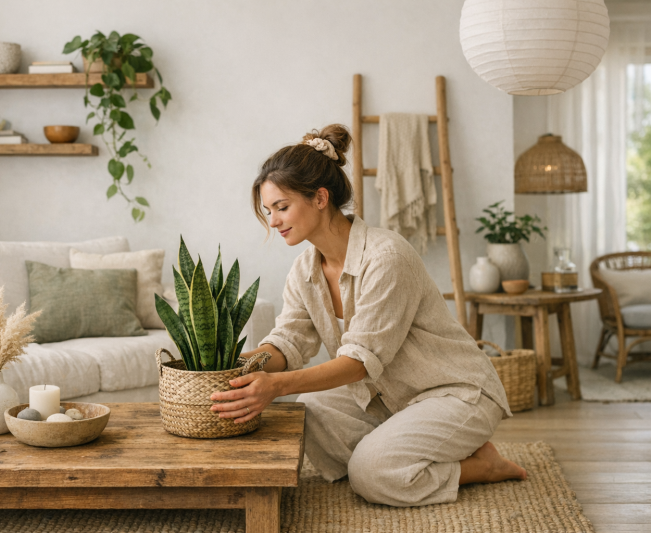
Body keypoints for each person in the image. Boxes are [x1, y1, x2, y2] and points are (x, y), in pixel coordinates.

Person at [210, 124, 527, 507]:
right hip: (388, 397)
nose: (274, 221)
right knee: (306, 412)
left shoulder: (386, 257)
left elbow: (359, 362)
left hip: (456, 393)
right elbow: (288, 342)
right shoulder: (304, 269)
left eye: (282, 207)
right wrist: (230, 364)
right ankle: (398, 455)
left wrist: (276, 386)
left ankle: (481, 466)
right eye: (268, 211)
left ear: (320, 198)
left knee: (369, 473)